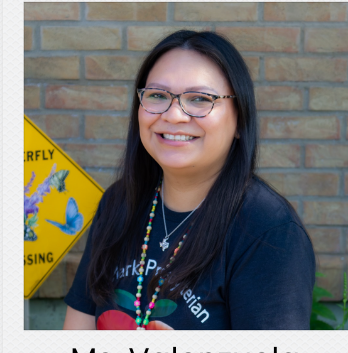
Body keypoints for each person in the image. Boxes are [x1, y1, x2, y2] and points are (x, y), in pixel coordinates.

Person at [62, 30, 316, 330]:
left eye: (199, 99)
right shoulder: (120, 203)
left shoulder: (269, 231)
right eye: (157, 95)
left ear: (239, 120)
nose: (174, 115)